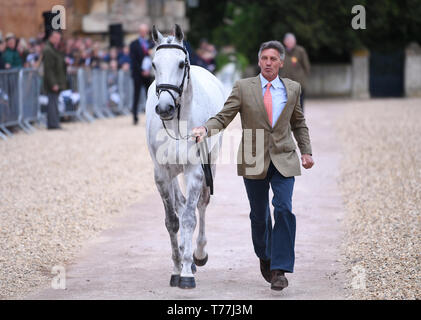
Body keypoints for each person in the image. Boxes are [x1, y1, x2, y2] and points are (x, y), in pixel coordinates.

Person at [192, 40, 314, 291]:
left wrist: (306, 151)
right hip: (253, 158)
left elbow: (299, 123)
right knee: (259, 217)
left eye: (273, 59)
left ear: (281, 62)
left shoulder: (292, 89)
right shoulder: (243, 88)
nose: (268, 63)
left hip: (284, 158)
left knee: (283, 209)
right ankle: (265, 256)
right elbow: (224, 117)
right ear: (259, 61)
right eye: (264, 58)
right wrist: (206, 128)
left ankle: (279, 269)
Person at [279, 33, 310, 113]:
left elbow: (306, 66)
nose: (290, 42)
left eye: (292, 41)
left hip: (299, 84)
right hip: (285, 84)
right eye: (288, 41)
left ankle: (299, 123)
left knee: (299, 106)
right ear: (285, 42)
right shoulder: (281, 53)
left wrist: (303, 78)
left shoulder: (300, 51)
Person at [42, 30, 67, 129]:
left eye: (58, 38)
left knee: (55, 102)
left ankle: (54, 122)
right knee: (52, 103)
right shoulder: (48, 50)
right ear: (51, 37)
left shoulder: (53, 49)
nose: (58, 40)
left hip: (56, 80)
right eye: (56, 38)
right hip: (52, 82)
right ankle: (53, 123)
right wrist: (53, 83)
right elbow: (49, 69)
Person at [129, 23, 153, 125]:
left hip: (149, 74)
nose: (143, 32)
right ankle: (135, 116)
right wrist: (141, 71)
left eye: (145, 30)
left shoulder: (151, 43)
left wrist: (149, 70)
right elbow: (133, 60)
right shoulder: (133, 44)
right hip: (138, 74)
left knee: (150, 96)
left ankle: (151, 116)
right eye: (141, 30)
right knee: (136, 95)